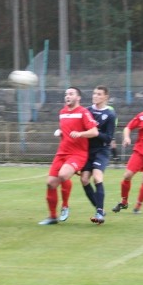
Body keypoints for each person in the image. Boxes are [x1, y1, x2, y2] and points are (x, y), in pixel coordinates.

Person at [39, 87, 99, 225]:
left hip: (78, 154)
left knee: (63, 175)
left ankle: (65, 205)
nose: (67, 96)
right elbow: (67, 130)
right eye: (66, 94)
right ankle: (52, 217)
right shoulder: (62, 112)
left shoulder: (83, 112)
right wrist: (61, 132)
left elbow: (94, 131)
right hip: (62, 153)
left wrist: (81, 134)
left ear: (78, 98)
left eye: (71, 94)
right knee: (50, 184)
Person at [78, 85, 116, 224]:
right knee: (84, 180)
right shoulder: (87, 111)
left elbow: (108, 137)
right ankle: (99, 208)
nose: (95, 96)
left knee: (97, 177)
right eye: (94, 93)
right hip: (87, 150)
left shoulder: (110, 115)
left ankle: (99, 213)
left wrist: (95, 132)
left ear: (106, 97)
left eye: (99, 94)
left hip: (101, 150)